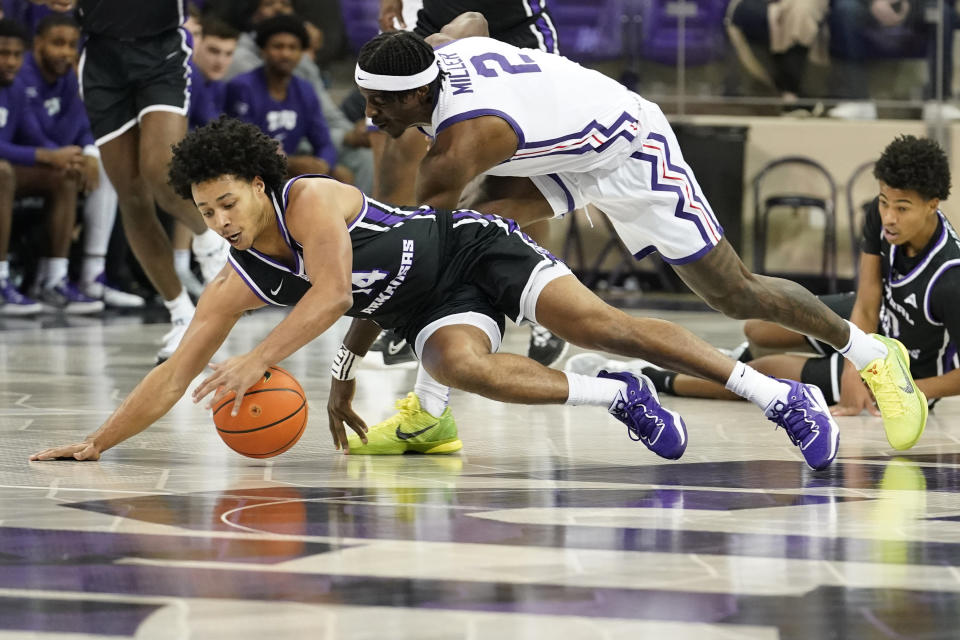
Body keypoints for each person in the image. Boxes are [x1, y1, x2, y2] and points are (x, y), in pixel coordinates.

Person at [30, 117, 841, 470]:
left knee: (605, 324)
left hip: (470, 250)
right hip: (426, 305)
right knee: (462, 368)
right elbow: (174, 375)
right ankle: (619, 400)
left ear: (256, 181)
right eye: (205, 212)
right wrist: (100, 441)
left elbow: (334, 292)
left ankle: (777, 399)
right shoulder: (237, 278)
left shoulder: (308, 199)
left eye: (228, 203)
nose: (220, 220)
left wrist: (259, 360)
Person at [353, 23, 927, 452]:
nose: (369, 115)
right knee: (479, 230)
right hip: (562, 148)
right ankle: (431, 413)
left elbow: (411, 263)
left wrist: (349, 351)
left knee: (734, 293)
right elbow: (473, 20)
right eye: (365, 97)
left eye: (380, 103)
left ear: (418, 95)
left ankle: (872, 353)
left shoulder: (457, 148)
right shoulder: (437, 54)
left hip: (630, 148)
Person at [569, 135, 955, 450]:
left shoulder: (950, 278)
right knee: (759, 329)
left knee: (763, 375)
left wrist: (903, 388)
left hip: (914, 368)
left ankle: (650, 375)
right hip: (875, 325)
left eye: (902, 208)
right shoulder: (882, 218)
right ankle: (721, 359)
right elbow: (868, 299)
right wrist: (861, 359)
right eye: (885, 202)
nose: (889, 216)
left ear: (932, 205)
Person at [368, 2, 564, 368]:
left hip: (514, 24)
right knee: (400, 156)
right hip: (430, 16)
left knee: (519, 176)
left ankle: (545, 306)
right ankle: (406, 300)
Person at [75, 0, 229, 361]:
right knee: (130, 194)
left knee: (161, 172)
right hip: (101, 57)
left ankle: (210, 243)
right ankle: (181, 315)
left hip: (159, 50)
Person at [19, 13, 144, 308]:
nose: (65, 51)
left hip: (56, 160)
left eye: (71, 44)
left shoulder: (70, 76)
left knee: (105, 164)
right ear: (37, 43)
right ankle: (52, 279)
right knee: (74, 171)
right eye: (57, 43)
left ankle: (92, 274)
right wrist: (62, 154)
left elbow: (85, 126)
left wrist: (87, 151)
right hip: (26, 161)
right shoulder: (21, 74)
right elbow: (32, 131)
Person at [0, 17, 96, 315]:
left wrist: (68, 157)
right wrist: (45, 156)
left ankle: (52, 279)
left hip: (8, 169)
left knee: (63, 177)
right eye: (3, 54)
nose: (11, 62)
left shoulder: (14, 89)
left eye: (16, 54)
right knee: (2, 173)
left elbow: (35, 136)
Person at [225, 14, 353, 183]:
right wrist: (290, 163)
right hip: (251, 171)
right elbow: (242, 149)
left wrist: (323, 164)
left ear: (301, 53)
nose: (286, 54)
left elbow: (324, 142)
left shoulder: (305, 89)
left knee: (342, 175)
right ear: (263, 50)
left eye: (293, 48)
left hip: (288, 170)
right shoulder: (242, 87)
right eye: (278, 46)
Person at [173, 13, 240, 299]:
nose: (220, 61)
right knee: (200, 174)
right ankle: (182, 265)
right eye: (213, 50)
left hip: (185, 151)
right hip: (166, 154)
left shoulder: (218, 84)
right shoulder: (188, 74)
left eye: (227, 54)